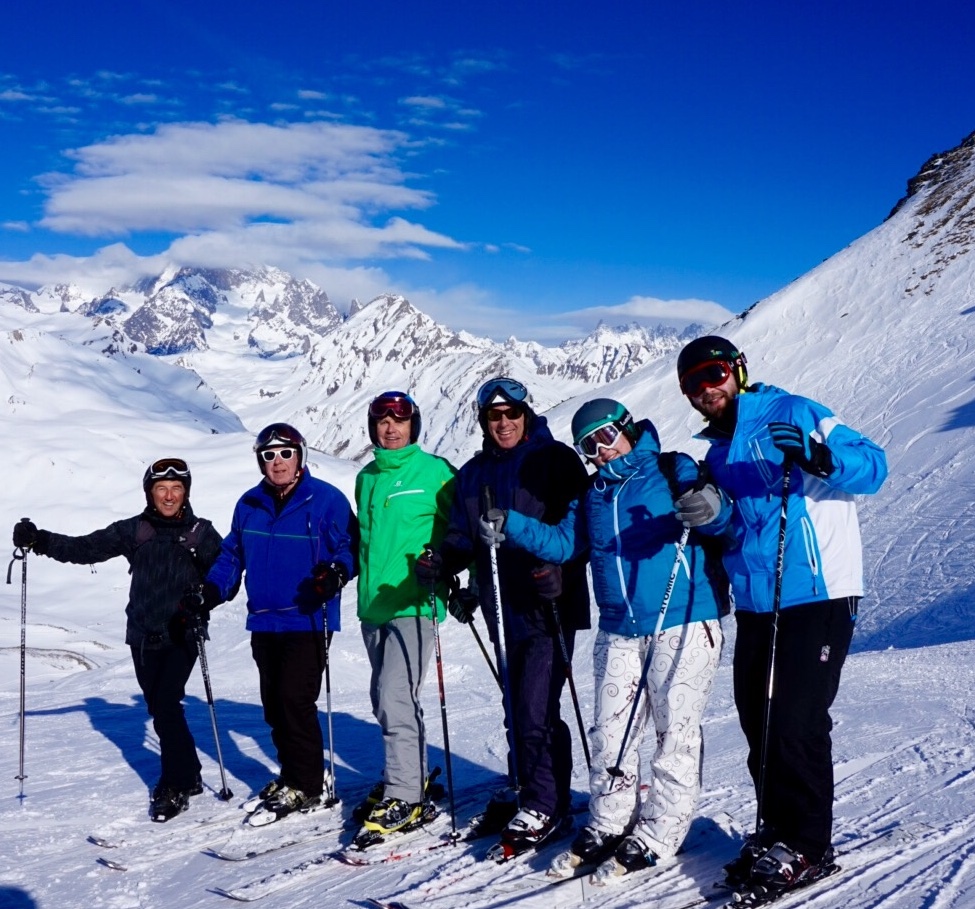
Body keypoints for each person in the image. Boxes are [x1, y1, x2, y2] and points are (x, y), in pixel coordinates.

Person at [478, 398, 728, 878]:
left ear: (628, 430)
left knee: (673, 731)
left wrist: (709, 509)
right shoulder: (592, 494)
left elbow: (714, 516)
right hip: (618, 627)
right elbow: (565, 544)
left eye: (607, 437)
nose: (600, 451)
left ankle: (659, 831)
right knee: (610, 732)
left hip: (682, 618)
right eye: (588, 445)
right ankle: (610, 820)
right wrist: (512, 524)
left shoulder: (670, 467)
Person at [676, 335, 888, 897]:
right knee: (758, 721)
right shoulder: (716, 453)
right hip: (756, 602)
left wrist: (821, 458)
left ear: (738, 371)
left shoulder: (795, 411)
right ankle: (777, 830)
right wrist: (710, 515)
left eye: (714, 373)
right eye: (692, 382)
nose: (705, 388)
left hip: (817, 593)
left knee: (797, 720)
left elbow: (874, 465)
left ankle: (810, 846)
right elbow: (735, 533)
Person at [414, 377, 591, 857]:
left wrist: (559, 571)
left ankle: (545, 804)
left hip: (549, 604)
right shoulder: (472, 475)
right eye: (495, 417)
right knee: (518, 710)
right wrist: (440, 562)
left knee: (535, 708)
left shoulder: (556, 460)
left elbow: (580, 530)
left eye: (512, 414)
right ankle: (531, 787)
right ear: (483, 421)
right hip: (500, 605)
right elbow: (460, 538)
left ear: (526, 414)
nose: (505, 423)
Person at [11, 459, 223, 822]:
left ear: (186, 492)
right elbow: (84, 549)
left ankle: (174, 785)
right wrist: (39, 540)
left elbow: (225, 574)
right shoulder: (135, 531)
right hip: (141, 635)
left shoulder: (201, 534)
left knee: (168, 706)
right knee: (159, 709)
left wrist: (206, 598)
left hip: (182, 634)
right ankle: (189, 776)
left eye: (176, 488)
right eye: (161, 489)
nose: (169, 496)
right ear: (150, 493)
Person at [192, 423, 357, 820]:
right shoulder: (249, 503)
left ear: (300, 456)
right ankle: (292, 774)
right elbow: (232, 555)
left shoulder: (326, 500)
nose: (277, 462)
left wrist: (336, 572)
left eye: (285, 453)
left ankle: (307, 783)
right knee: (272, 705)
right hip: (264, 621)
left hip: (307, 616)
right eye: (269, 455)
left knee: (293, 700)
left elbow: (352, 546)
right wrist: (212, 591)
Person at [354, 391, 456, 837]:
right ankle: (410, 774)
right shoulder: (367, 477)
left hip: (415, 603)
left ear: (414, 425)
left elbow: (461, 532)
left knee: (395, 695)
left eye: (400, 421)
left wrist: (455, 575)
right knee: (384, 697)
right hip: (373, 607)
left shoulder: (436, 473)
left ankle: (405, 796)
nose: (390, 429)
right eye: (382, 421)